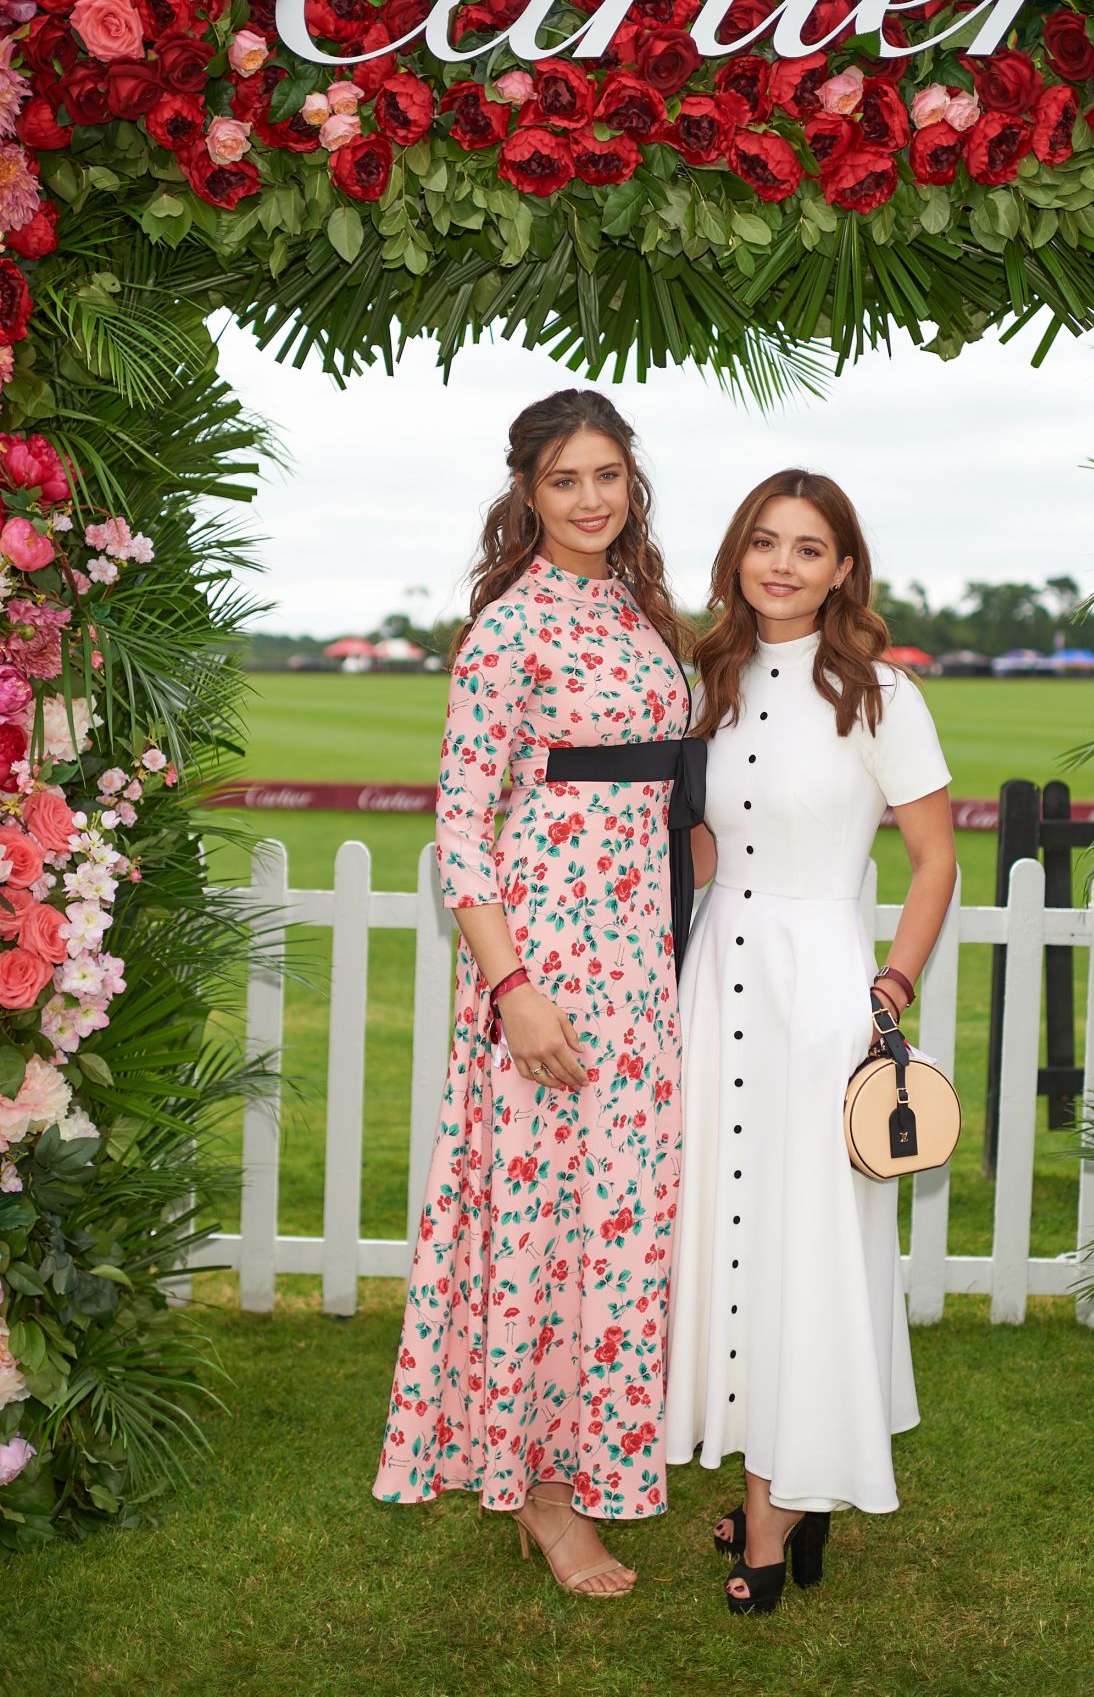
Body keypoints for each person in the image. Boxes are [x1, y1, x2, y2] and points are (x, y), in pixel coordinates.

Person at [373, 388, 705, 1600]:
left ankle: (589, 1461)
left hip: (640, 954)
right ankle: (545, 1497)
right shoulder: (508, 629)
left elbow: (670, 783)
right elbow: (462, 828)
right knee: (543, 1228)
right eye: (563, 479)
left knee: (617, 1224)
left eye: (606, 475)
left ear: (631, 485)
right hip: (550, 957)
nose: (587, 498)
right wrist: (511, 988)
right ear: (527, 493)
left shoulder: (636, 606)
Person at [666, 468, 957, 1616]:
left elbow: (933, 859)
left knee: (805, 1248)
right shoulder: (710, 682)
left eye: (807, 548)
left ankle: (774, 1517)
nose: (780, 564)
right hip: (713, 982)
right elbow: (700, 847)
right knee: (731, 1241)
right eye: (763, 543)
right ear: (737, 556)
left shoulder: (881, 695)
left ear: (843, 570)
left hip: (823, 989)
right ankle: (777, 1490)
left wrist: (890, 980)